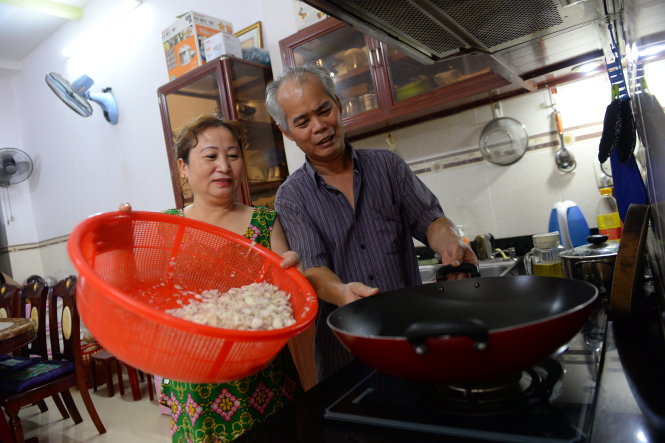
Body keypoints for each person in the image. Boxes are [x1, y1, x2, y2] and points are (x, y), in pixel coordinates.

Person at [265, 61, 478, 382]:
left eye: (324, 110)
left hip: (411, 339)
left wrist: (451, 242)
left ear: (338, 104)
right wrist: (341, 293)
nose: (319, 125)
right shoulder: (291, 197)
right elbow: (313, 269)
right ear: (287, 132)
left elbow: (431, 220)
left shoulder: (388, 166)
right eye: (302, 121)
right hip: (345, 353)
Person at [122, 113, 302, 442]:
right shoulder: (167, 228)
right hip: (195, 379)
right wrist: (120, 249)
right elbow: (142, 296)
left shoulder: (265, 222)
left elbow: (285, 297)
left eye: (233, 155)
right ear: (183, 168)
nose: (224, 165)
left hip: (262, 375)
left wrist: (291, 276)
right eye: (210, 156)